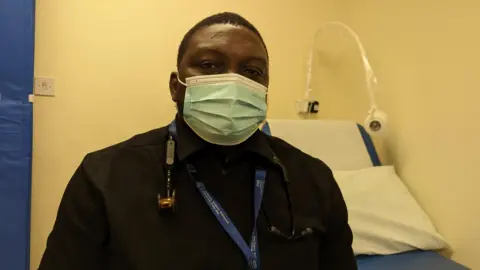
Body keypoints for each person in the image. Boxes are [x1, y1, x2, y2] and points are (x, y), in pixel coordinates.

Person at [39, 12, 357, 270]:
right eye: (209, 65)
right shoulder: (104, 178)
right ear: (176, 87)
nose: (234, 80)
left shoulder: (313, 180)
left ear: (265, 91)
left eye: (253, 71)